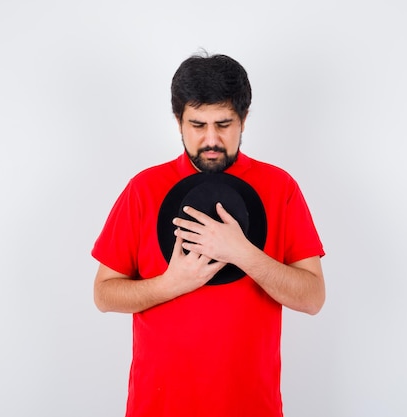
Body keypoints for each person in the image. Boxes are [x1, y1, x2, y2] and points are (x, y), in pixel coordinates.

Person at [92, 52, 326, 417]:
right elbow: (104, 293)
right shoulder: (143, 189)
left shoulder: (280, 188)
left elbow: (312, 298)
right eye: (198, 125)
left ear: (244, 120)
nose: (211, 139)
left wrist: (243, 253)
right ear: (178, 122)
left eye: (224, 124)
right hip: (158, 407)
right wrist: (170, 284)